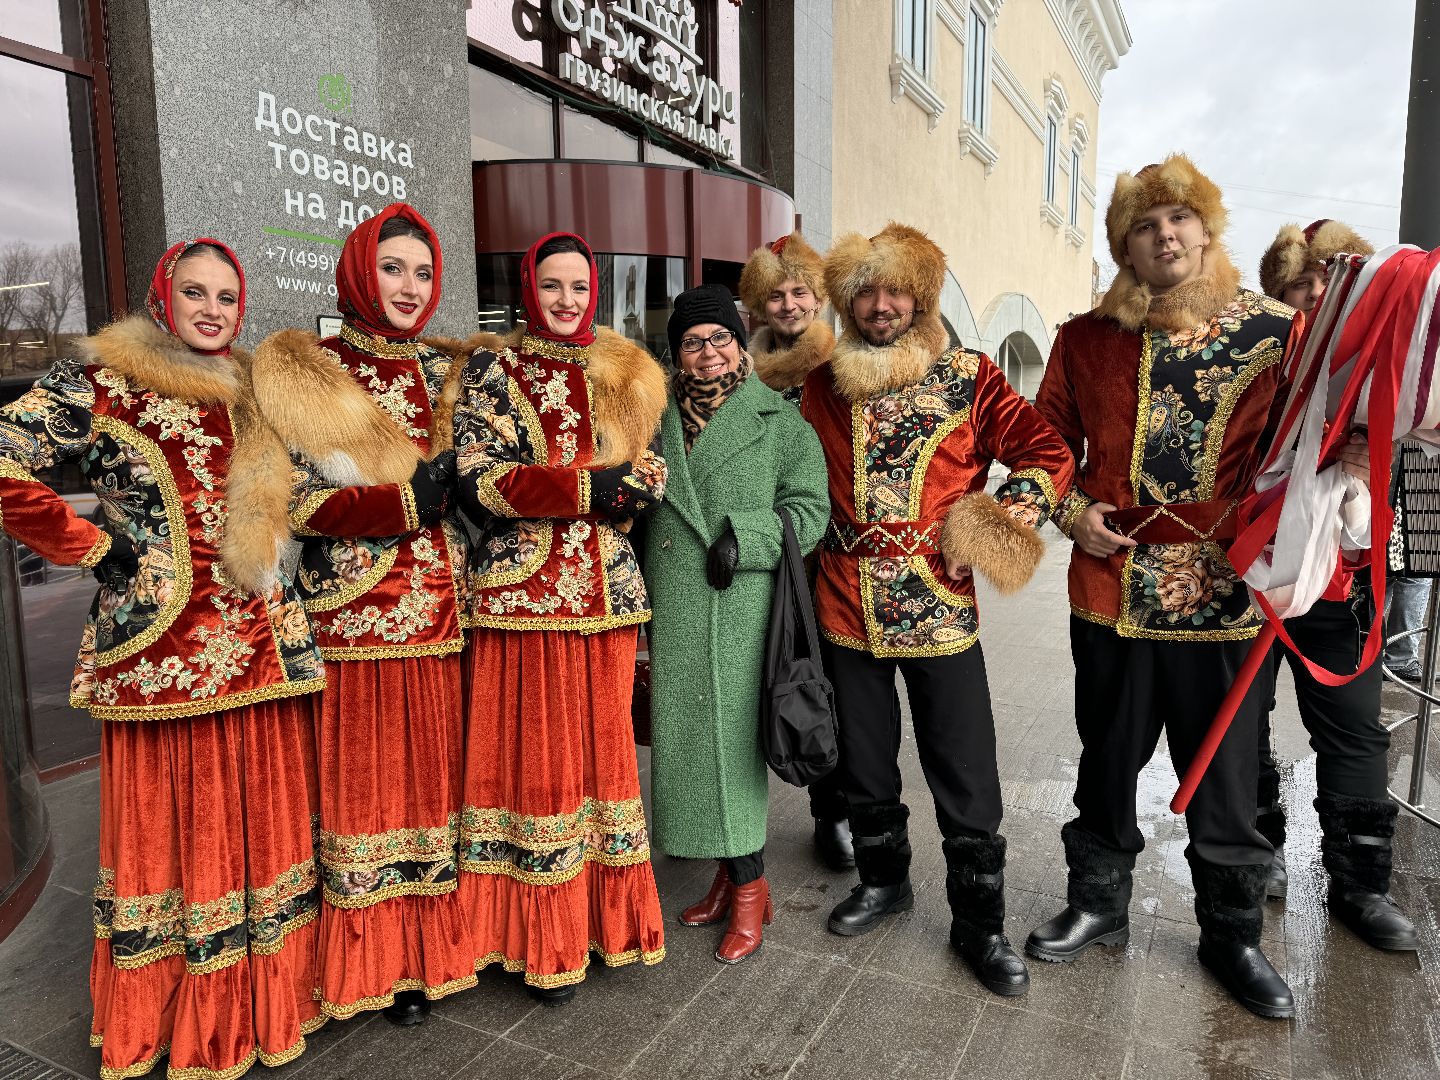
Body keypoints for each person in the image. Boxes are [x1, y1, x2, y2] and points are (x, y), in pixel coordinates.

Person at [0, 239, 327, 1078]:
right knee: (177, 833)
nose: (213, 309)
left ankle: (265, 1003)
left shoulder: (259, 390)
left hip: (259, 642)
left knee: (258, 822)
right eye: (196, 292)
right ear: (161, 297)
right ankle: (181, 1014)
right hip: (162, 650)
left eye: (227, 295)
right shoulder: (102, 380)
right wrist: (90, 543)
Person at [1028, 155, 1323, 1019]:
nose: (1165, 236)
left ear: (1206, 228)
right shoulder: (1086, 337)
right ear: (1125, 246)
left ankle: (1231, 935)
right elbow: (1046, 443)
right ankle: (1098, 903)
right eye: (1145, 226)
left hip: (1226, 592)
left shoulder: (1275, 333)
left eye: (1178, 221)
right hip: (1111, 588)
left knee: (1228, 772)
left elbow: (1316, 435)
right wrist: (1073, 510)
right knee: (1106, 755)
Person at [800, 223, 1075, 997]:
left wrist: (985, 528)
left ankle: (978, 924)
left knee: (964, 769)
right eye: (865, 290)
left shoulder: (969, 376)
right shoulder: (821, 381)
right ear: (847, 299)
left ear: (920, 297)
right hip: (844, 600)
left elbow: (1049, 453)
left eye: (895, 291)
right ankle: (885, 882)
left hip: (939, 607)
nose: (880, 305)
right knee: (864, 757)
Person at [252, 203, 473, 1026]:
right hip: (357, 617)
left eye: (422, 272)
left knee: (432, 789)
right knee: (364, 793)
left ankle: (426, 952)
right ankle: (368, 962)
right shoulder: (307, 370)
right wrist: (392, 505)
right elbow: (289, 498)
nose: (410, 287)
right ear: (356, 272)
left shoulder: (447, 370)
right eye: (393, 269)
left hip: (446, 612)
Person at [452, 231, 668, 1005]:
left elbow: (649, 468)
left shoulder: (628, 370)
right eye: (553, 286)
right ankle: (533, 936)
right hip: (523, 599)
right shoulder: (493, 367)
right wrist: (588, 489)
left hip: (607, 597)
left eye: (580, 287)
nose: (567, 300)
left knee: (604, 761)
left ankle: (602, 924)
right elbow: (478, 478)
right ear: (527, 289)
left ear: (596, 291)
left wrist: (634, 486)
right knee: (534, 766)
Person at [645, 283, 830, 963]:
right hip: (675, 607)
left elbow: (811, 511)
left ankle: (752, 891)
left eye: (721, 336)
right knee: (695, 747)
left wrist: (746, 538)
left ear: (739, 341)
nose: (710, 352)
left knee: (729, 751)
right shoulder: (651, 418)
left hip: (744, 609)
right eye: (694, 341)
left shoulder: (780, 423)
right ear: (677, 354)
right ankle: (730, 879)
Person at [1248, 220, 1418, 949]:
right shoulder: (1256, 366)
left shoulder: (1389, 369)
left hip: (1343, 586)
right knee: (1240, 732)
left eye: (1326, 285)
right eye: (1300, 290)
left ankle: (1360, 884)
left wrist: (1376, 451)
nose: (1315, 299)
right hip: (1255, 580)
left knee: (1354, 733)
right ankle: (1253, 856)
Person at [738, 232, 857, 872]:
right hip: (762, 545)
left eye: (800, 292)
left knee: (822, 681)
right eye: (776, 295)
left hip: (826, 550)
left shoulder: (839, 367)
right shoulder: (737, 373)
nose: (789, 305)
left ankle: (835, 811)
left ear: (819, 298)